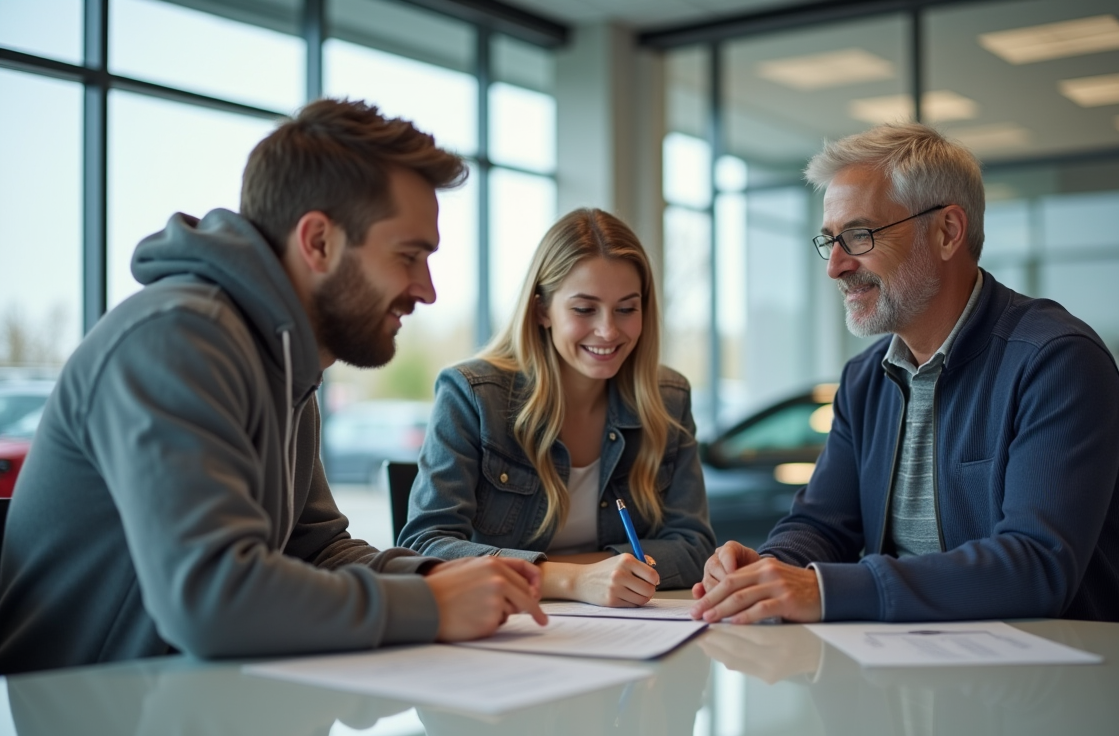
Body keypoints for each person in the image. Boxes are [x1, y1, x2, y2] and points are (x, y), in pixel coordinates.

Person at [0, 99, 547, 676]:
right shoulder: (178, 340)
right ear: (318, 242)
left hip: (189, 713)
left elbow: (316, 550)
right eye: (409, 255)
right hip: (82, 727)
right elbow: (210, 598)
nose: (427, 289)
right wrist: (431, 606)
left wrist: (437, 576)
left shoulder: (286, 360)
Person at [691, 122, 1119, 625]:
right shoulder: (864, 379)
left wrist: (823, 589)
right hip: (911, 667)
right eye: (831, 240)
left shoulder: (1055, 360)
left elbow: (1035, 568)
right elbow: (823, 524)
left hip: (1066, 676)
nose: (836, 266)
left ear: (947, 232)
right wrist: (768, 568)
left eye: (860, 234)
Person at [399, 208, 715, 606]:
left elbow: (694, 545)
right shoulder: (473, 394)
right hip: (505, 628)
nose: (608, 330)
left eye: (626, 308)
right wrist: (571, 579)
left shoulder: (668, 397)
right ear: (542, 310)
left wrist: (606, 573)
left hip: (625, 628)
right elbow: (425, 546)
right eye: (584, 309)